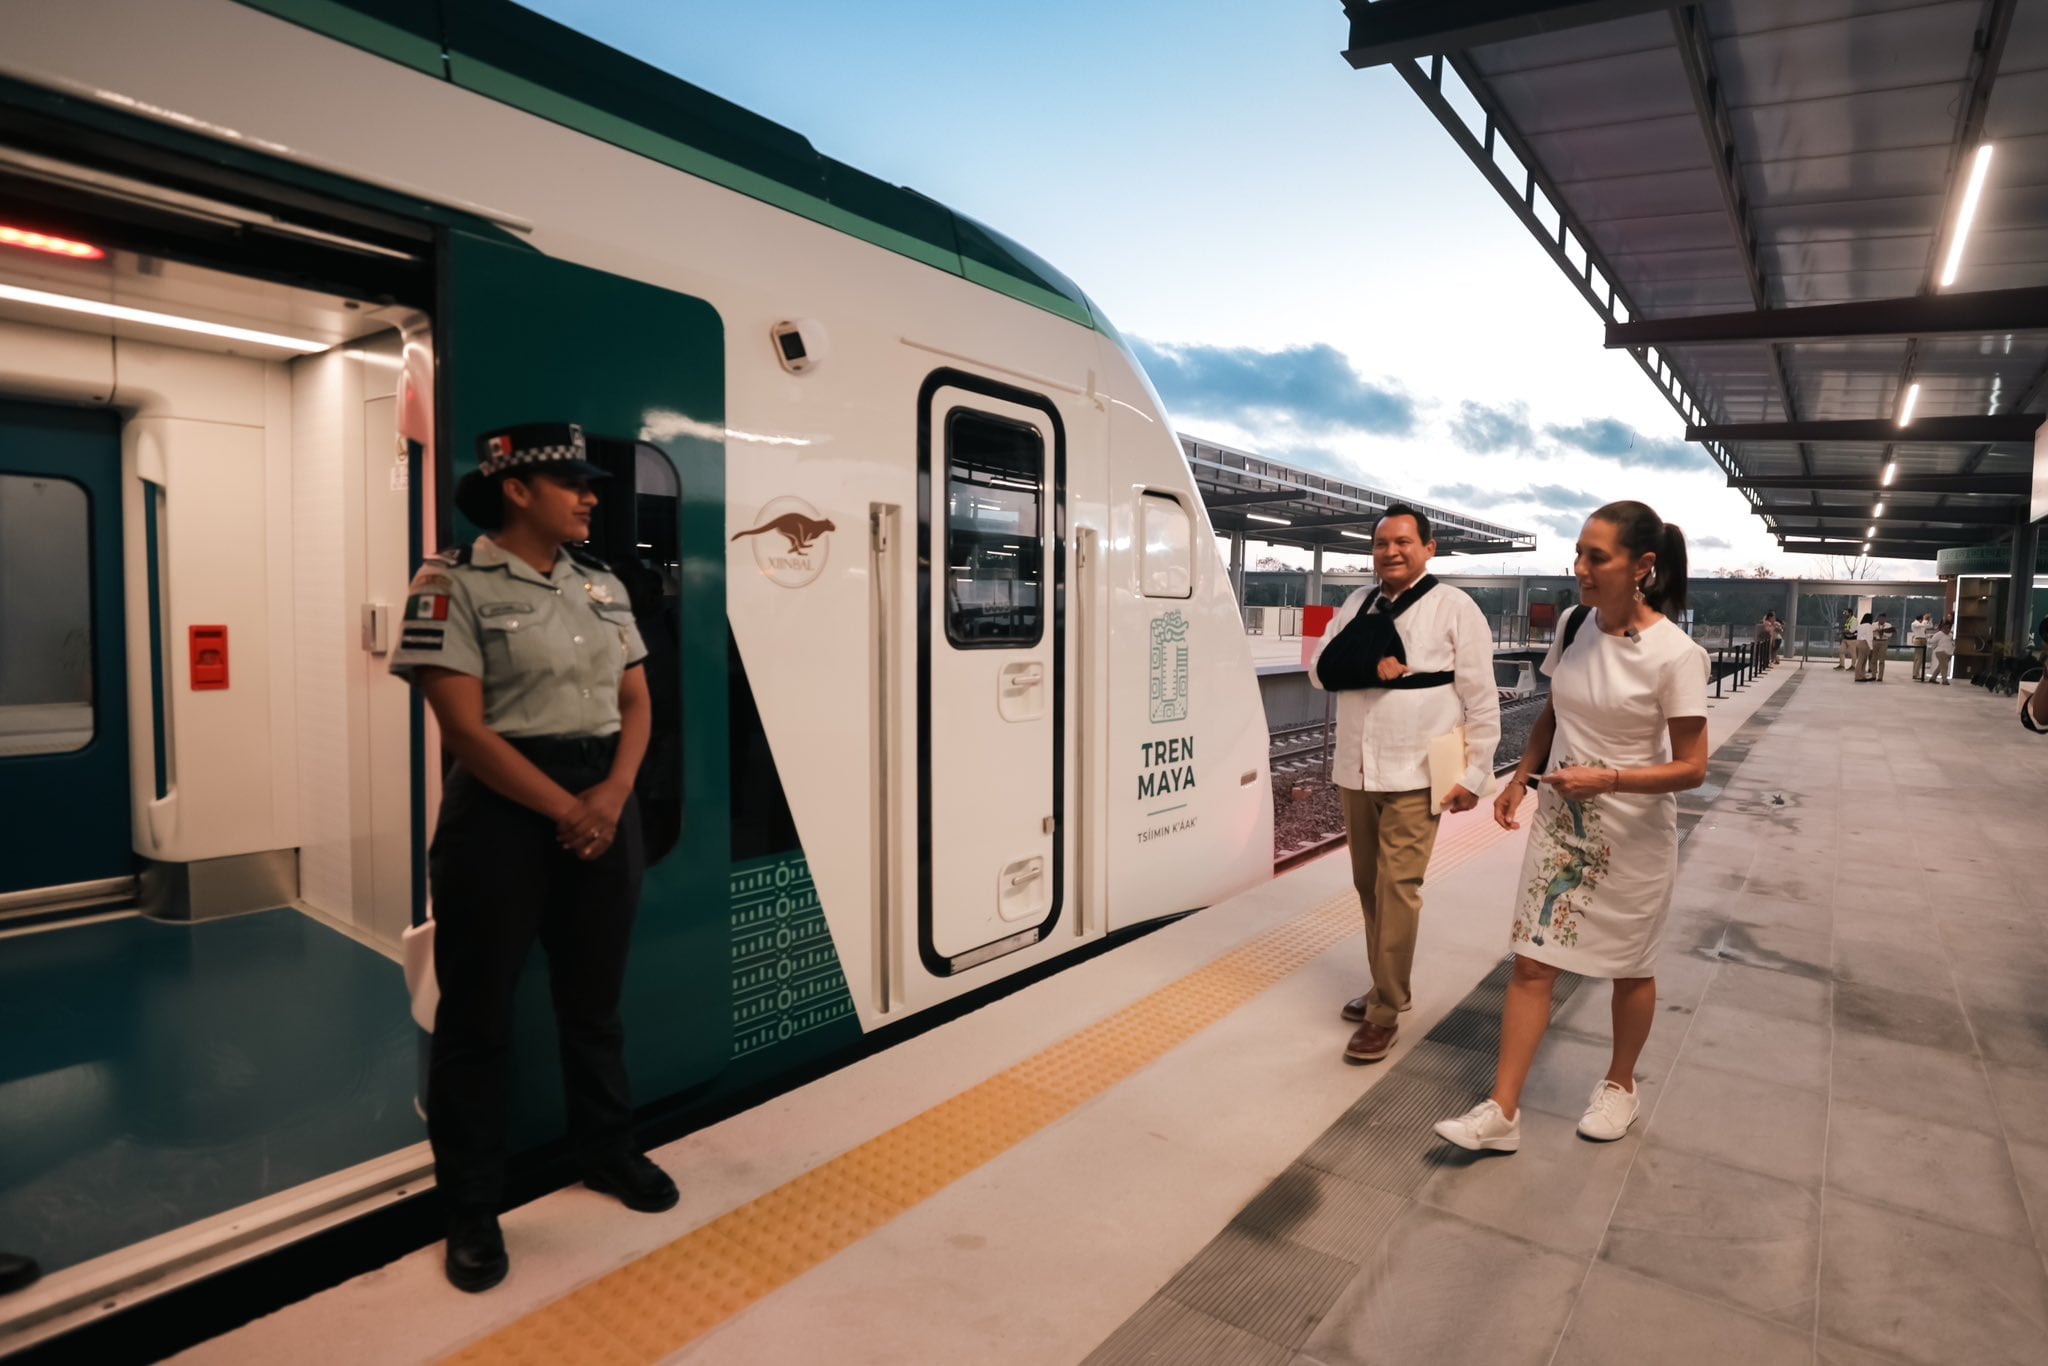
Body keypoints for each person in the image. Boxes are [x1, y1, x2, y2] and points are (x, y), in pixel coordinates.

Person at [389, 423, 677, 1294]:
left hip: (602, 796)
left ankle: (607, 1152)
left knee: (594, 1004)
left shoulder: (601, 583)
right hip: (505, 815)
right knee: (477, 1019)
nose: (592, 497)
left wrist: (615, 798)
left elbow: (637, 700)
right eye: (573, 484)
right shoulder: (451, 583)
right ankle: (472, 1206)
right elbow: (464, 731)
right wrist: (571, 812)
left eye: (591, 485)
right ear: (517, 490)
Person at [1434, 501, 1709, 1153]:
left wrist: (1607, 779)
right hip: (1562, 826)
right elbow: (1553, 714)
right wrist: (1521, 777)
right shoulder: (1573, 623)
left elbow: (1694, 768)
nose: (1579, 568)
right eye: (1579, 553)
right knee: (1532, 961)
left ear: (1642, 566)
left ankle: (1620, 1086)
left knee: (1629, 968)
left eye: (1597, 557)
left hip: (1633, 837)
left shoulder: (1677, 656)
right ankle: (1502, 1111)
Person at [1310, 504, 1501, 1064]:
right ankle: (1386, 984)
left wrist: (1475, 773)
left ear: (1429, 547)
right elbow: (1322, 670)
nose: (1390, 552)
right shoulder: (1356, 604)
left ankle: (1385, 1010)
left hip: (1420, 772)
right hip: (1358, 770)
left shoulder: (1455, 608)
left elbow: (1480, 697)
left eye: (1402, 542)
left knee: (1398, 888)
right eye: (1380, 544)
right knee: (1369, 884)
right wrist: (1370, 666)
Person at [1929, 617, 1955, 685]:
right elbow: (1932, 641)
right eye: (1947, 628)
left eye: (1949, 628)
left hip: (1949, 652)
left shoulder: (1950, 635)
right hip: (1941, 651)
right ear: (1943, 628)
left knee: (1941, 666)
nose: (1948, 630)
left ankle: (1933, 678)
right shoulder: (1939, 634)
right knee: (1944, 666)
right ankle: (1944, 680)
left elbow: (1952, 643)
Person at [1870, 613, 1895, 681]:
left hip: (1884, 641)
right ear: (1878, 618)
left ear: (1885, 619)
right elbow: (1871, 633)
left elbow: (1890, 635)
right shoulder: (1873, 624)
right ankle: (1873, 675)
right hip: (1875, 641)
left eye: (1883, 619)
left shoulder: (1888, 625)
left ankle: (1880, 677)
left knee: (1882, 660)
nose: (1882, 620)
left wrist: (1882, 632)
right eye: (1880, 618)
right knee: (1873, 659)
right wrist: (1876, 631)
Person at [1853, 612, 1876, 681]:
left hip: (1858, 642)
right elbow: (1869, 637)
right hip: (1865, 643)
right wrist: (1871, 648)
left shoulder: (1860, 626)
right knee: (1862, 661)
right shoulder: (1869, 626)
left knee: (1861, 660)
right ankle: (1858, 676)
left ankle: (1862, 675)